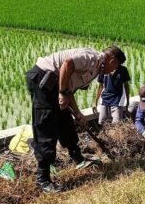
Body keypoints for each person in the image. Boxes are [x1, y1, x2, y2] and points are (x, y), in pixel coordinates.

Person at [25, 45, 125, 193]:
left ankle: (78, 159)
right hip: (43, 80)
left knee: (65, 122)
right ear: (112, 60)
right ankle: (43, 179)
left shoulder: (97, 68)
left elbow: (69, 87)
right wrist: (62, 93)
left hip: (55, 85)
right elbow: (68, 63)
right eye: (116, 66)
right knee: (47, 127)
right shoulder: (93, 58)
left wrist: (78, 113)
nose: (114, 70)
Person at [93, 50, 131, 125]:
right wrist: (95, 102)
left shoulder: (123, 70)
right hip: (105, 99)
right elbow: (101, 86)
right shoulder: (103, 69)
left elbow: (126, 86)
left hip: (117, 100)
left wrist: (127, 101)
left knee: (116, 124)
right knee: (102, 122)